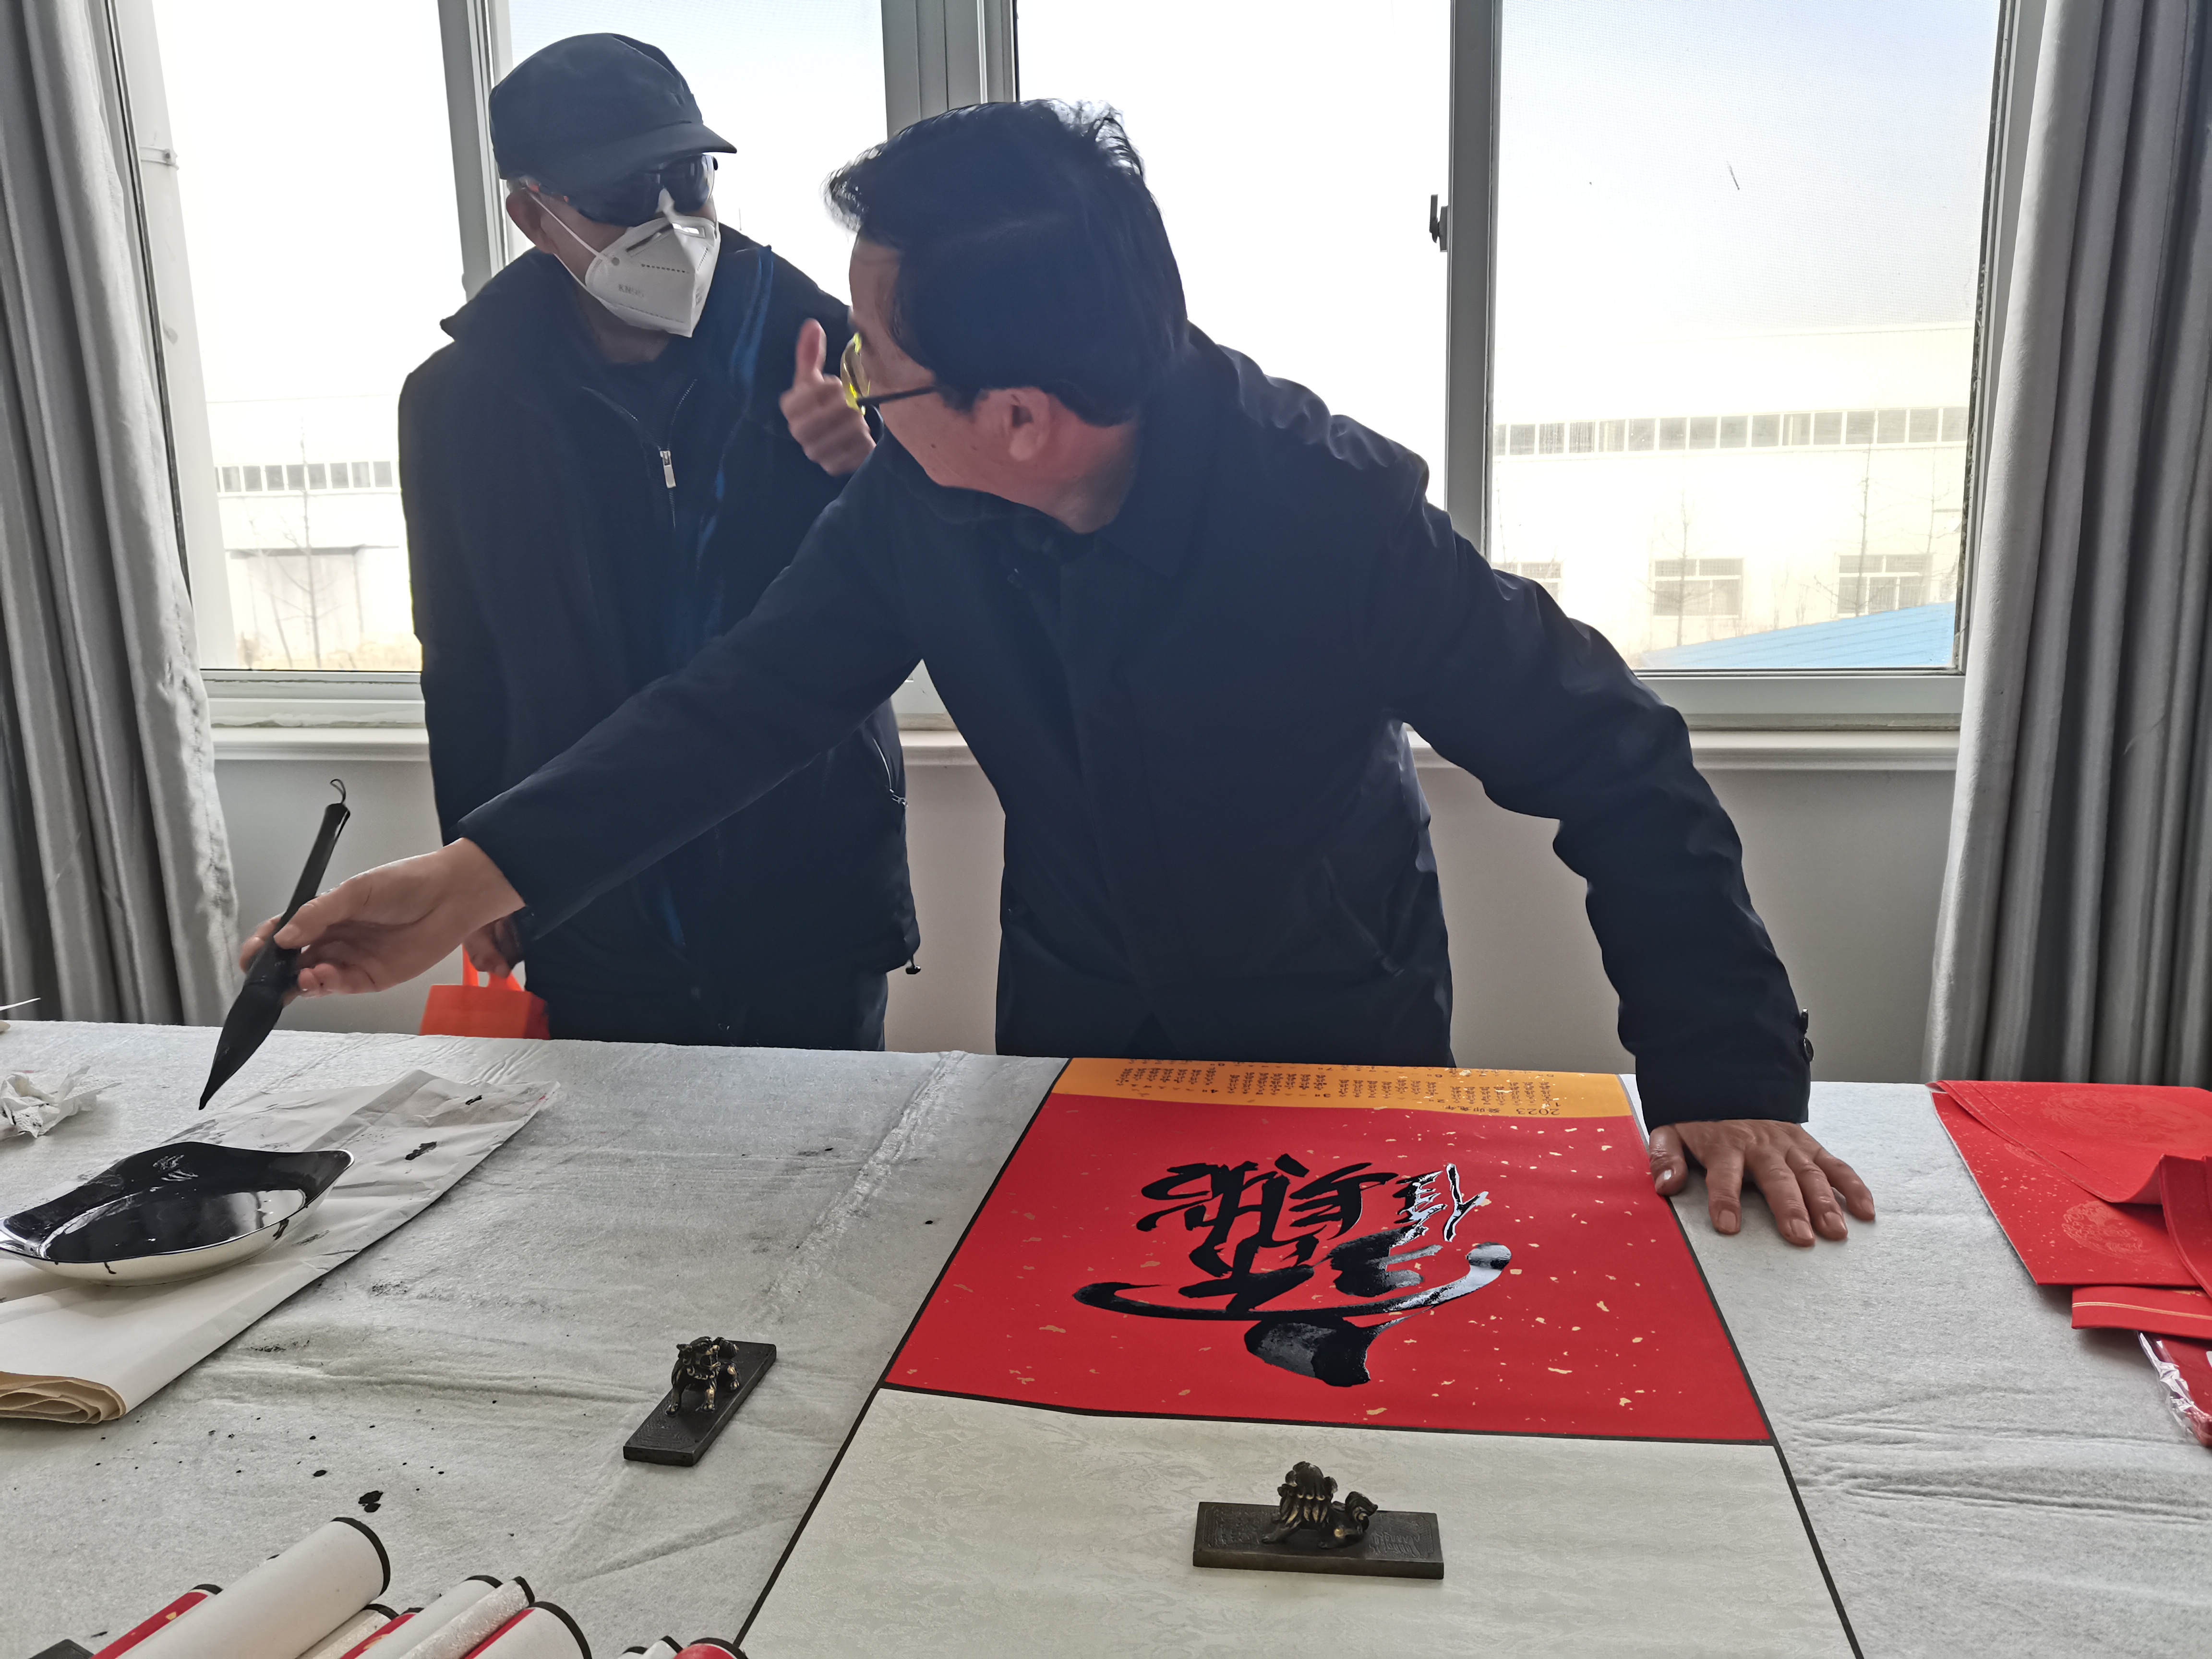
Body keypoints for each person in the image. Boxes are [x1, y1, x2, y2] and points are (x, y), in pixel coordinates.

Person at [259, 100, 1875, 1247]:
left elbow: (1613, 754)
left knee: (1333, 1379)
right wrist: (467, 877)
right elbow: (739, 706)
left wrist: (1727, 1074)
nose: (857, 393)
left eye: (882, 370)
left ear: (1022, 417)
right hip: (1076, 1021)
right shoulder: (918, 505)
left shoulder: (1331, 520)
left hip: (1331, 1016)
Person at [396, 34, 915, 1047]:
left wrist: (874, 471)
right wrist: (479, 858)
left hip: (809, 880)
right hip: (589, 894)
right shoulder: (459, 404)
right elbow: (460, 658)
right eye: (624, 192)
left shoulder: (822, 348)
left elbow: (935, 578)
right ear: (532, 214)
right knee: (615, 1149)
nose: (671, 218)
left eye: (689, 178)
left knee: (834, 1142)